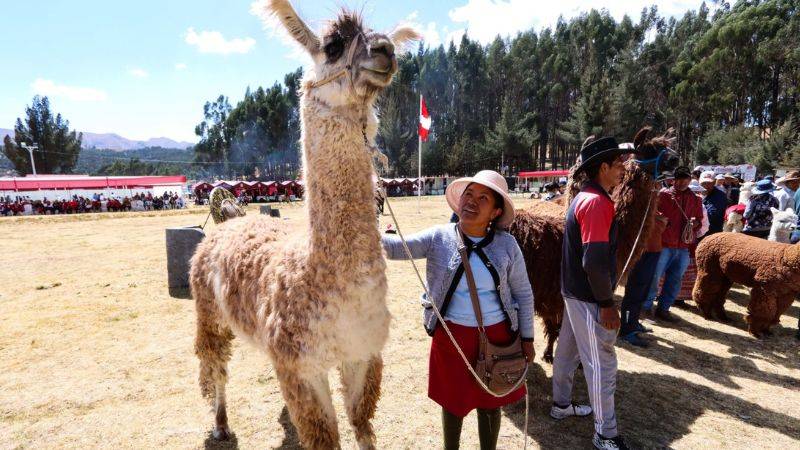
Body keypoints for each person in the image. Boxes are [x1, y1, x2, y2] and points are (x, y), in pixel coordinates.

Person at [381, 170, 534, 450]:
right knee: (452, 404)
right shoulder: (438, 237)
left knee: (491, 400)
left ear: (496, 211)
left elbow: (523, 294)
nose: (472, 202)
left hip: (497, 336)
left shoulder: (507, 246)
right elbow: (395, 248)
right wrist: (359, 224)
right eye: (468, 194)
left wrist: (527, 338)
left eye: (483, 198)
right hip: (450, 338)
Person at [553, 137, 635, 450]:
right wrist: (606, 303)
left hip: (574, 292)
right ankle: (606, 434)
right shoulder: (597, 203)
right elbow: (595, 261)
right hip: (588, 297)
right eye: (617, 165)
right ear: (602, 167)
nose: (622, 170)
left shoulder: (584, 198)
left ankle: (561, 404)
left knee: (567, 351)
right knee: (601, 362)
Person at [649, 166, 704, 322]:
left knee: (675, 280)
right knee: (655, 277)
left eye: (685, 179)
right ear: (673, 180)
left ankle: (664, 309)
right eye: (678, 179)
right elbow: (654, 214)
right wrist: (662, 221)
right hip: (664, 244)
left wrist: (695, 224)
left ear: (689, 180)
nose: (681, 182)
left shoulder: (695, 199)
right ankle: (646, 308)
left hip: (683, 247)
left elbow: (699, 219)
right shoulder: (663, 196)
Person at [700, 171, 727, 235]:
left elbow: (712, 214)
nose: (706, 185)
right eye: (704, 183)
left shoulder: (720, 196)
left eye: (709, 183)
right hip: (700, 231)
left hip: (711, 232)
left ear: (714, 182)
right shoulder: (697, 193)